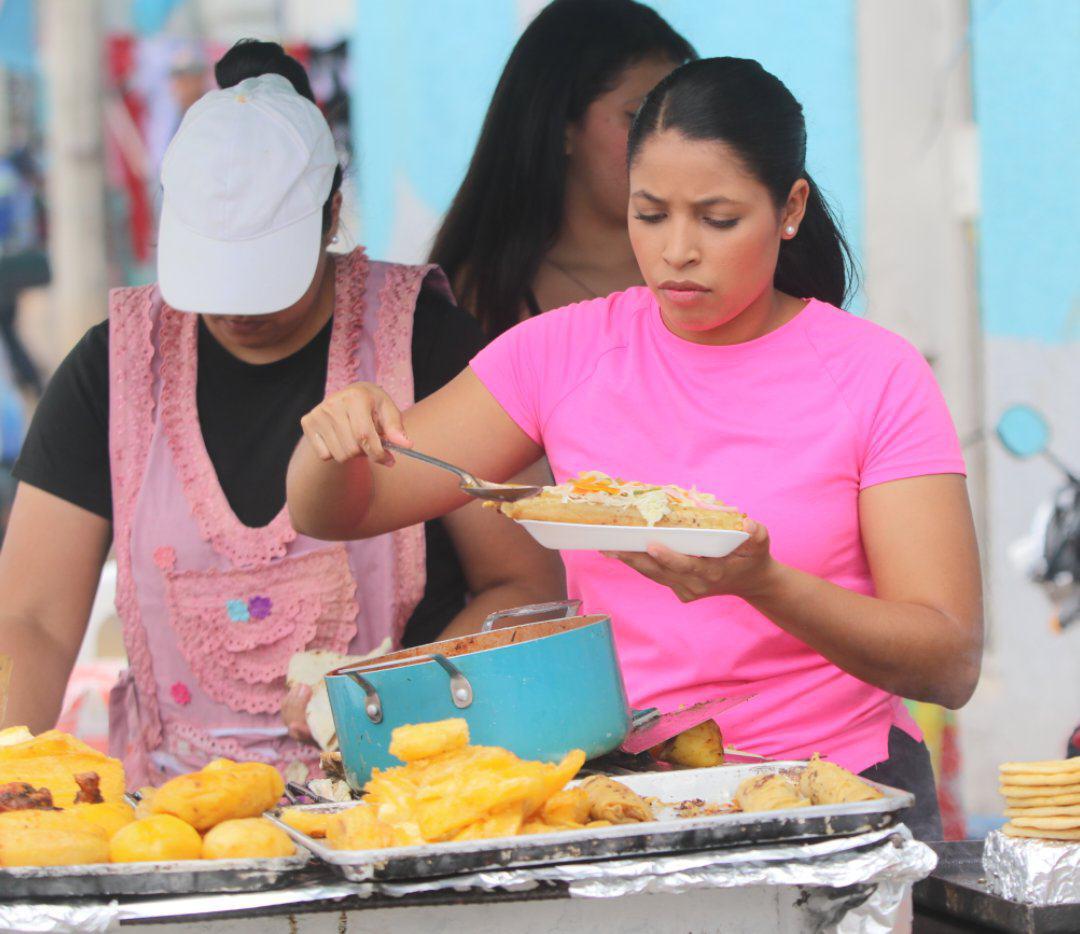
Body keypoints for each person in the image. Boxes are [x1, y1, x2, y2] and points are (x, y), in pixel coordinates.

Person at [287, 57, 984, 840]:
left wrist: (764, 584)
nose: (677, 251)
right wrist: (333, 439)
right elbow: (345, 509)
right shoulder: (561, 352)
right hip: (633, 802)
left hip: (843, 795)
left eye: (717, 220)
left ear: (790, 210)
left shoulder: (875, 374)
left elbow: (948, 661)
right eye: (650, 214)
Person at [0, 42, 562, 785]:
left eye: (263, 279)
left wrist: (396, 698)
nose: (236, 310)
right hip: (175, 815)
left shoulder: (424, 345)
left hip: (402, 794)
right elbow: (30, 620)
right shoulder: (113, 370)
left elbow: (528, 589)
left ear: (332, 213)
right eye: (214, 278)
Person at [429, 0, 695, 338]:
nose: (670, 140)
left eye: (682, 119)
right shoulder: (478, 298)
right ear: (562, 126)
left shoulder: (723, 269)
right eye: (640, 116)